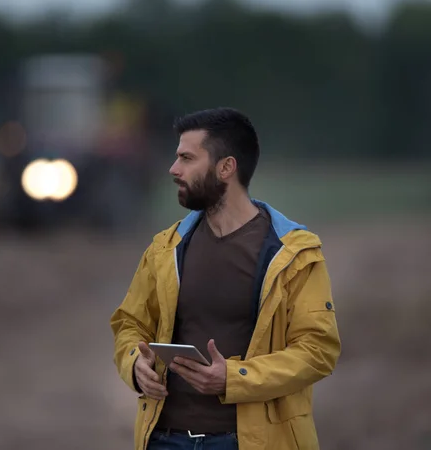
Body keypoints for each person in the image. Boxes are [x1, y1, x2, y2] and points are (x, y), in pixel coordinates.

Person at [110, 107, 341, 450]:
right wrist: (135, 364)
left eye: (187, 158)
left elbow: (317, 351)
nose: (174, 169)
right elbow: (130, 323)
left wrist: (233, 379)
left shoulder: (293, 254)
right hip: (164, 439)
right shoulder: (166, 248)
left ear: (226, 167)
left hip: (249, 442)